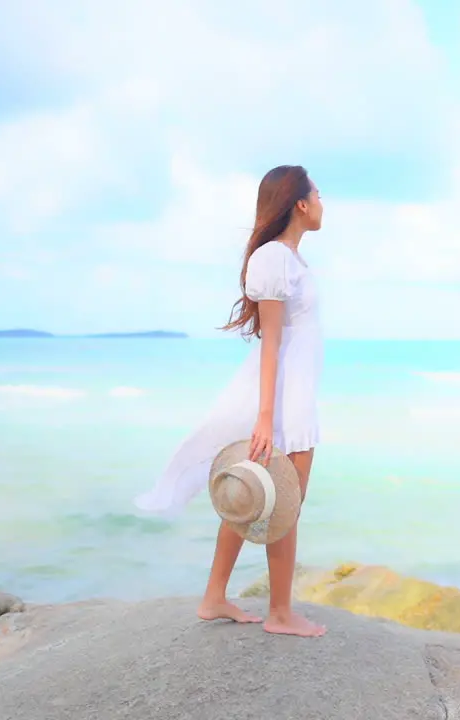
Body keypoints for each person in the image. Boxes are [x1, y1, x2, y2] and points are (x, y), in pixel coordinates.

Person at [134, 164, 327, 638]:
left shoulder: (292, 261)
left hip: (294, 393)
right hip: (284, 400)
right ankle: (280, 613)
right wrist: (265, 417)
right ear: (300, 203)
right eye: (318, 194)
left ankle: (214, 598)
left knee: (257, 493)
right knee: (283, 501)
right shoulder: (275, 260)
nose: (324, 204)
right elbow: (272, 342)